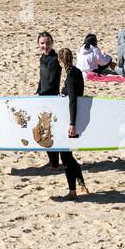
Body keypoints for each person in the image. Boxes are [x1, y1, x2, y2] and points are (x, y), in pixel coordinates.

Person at [56, 48, 89, 199]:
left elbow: (73, 101)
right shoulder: (76, 72)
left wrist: (72, 123)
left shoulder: (70, 77)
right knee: (68, 156)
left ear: (60, 61)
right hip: (76, 118)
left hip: (72, 120)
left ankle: (73, 191)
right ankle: (81, 185)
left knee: (66, 157)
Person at [35, 31, 62, 170]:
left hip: (52, 97)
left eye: (47, 43)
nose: (45, 46)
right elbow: (42, 78)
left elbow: (52, 81)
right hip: (43, 97)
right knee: (44, 130)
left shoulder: (55, 59)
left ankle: (55, 162)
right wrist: (38, 91)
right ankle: (51, 161)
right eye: (42, 43)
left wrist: (43, 95)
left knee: (51, 130)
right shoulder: (42, 58)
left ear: (52, 43)